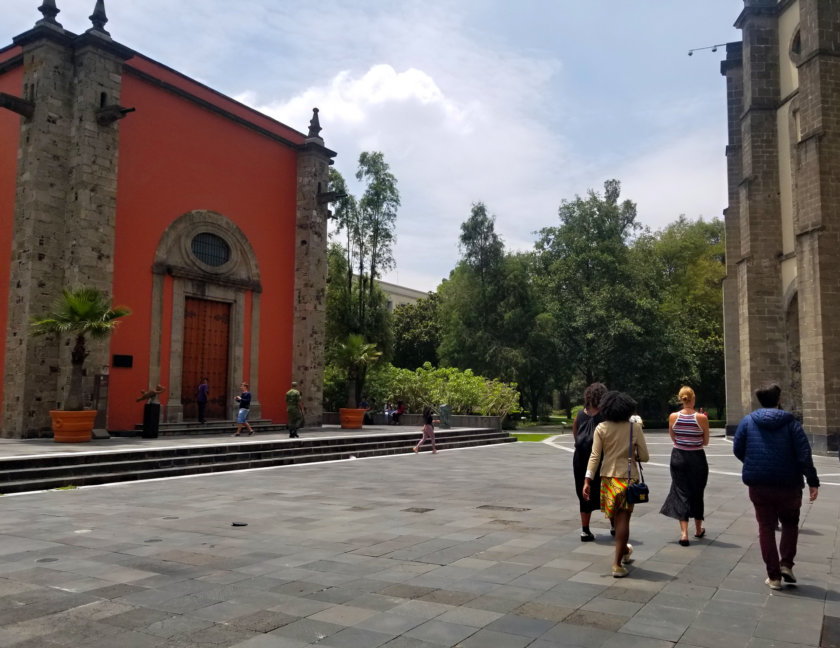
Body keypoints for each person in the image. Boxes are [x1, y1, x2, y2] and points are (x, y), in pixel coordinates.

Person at [733, 382, 819, 590]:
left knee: (766, 527)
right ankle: (786, 565)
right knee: (790, 523)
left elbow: (738, 448)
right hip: (789, 483)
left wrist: (753, 462)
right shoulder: (792, 424)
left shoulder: (747, 422)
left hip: (759, 484)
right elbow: (804, 455)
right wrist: (813, 481)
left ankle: (774, 577)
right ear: (778, 400)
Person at [582, 391, 649, 578]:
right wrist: (633, 454)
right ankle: (617, 564)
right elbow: (645, 456)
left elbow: (595, 456)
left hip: (608, 478)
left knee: (616, 518)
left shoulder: (601, 428)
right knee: (624, 519)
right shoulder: (634, 428)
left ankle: (624, 552)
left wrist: (588, 479)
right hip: (628, 479)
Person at [659, 386, 710, 546]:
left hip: (678, 457)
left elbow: (673, 437)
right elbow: (706, 441)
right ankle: (698, 528)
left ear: (681, 399)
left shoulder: (673, 417)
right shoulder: (701, 418)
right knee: (697, 491)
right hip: (696, 457)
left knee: (681, 492)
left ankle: (683, 534)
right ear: (693, 399)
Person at [572, 382, 607, 542]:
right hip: (600, 460)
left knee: (583, 494)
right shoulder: (606, 417)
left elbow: (575, 437)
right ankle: (614, 524)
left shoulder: (579, 415)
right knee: (607, 491)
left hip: (580, 461)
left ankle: (585, 530)